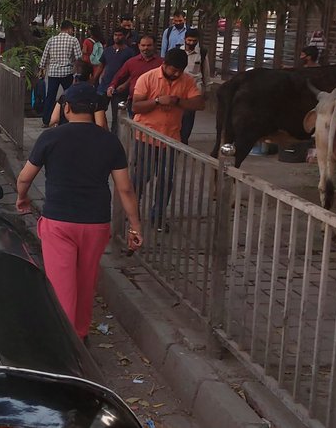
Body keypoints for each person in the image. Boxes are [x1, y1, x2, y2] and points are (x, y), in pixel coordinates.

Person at [16, 83, 144, 340]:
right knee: (86, 282)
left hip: (59, 222)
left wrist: (22, 198)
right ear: (95, 110)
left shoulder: (50, 137)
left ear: (67, 108)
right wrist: (135, 226)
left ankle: (65, 343)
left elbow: (25, 177)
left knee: (62, 284)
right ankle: (81, 333)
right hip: (95, 223)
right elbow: (125, 189)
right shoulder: (109, 141)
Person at [130, 48, 205, 231]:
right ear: (164, 65)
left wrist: (178, 101)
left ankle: (158, 216)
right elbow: (136, 106)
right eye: (173, 70)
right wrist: (157, 101)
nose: (176, 74)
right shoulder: (147, 78)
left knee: (166, 179)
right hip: (146, 137)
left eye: (179, 71)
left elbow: (199, 104)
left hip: (171, 138)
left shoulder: (187, 80)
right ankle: (132, 213)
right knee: (142, 176)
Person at [38, 20, 83, 127]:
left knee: (50, 96)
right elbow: (78, 58)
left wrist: (41, 69)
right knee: (68, 96)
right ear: (69, 29)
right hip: (67, 72)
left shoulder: (51, 40)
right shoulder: (73, 40)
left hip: (53, 72)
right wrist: (78, 73)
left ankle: (47, 120)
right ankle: (66, 120)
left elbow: (44, 57)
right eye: (72, 30)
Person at [106, 35, 163, 120]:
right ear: (139, 46)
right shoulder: (132, 62)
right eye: (143, 45)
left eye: (149, 45)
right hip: (135, 101)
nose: (146, 48)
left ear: (154, 46)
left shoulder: (162, 63)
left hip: (155, 102)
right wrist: (112, 86)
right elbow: (119, 75)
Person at [180, 29, 208, 144]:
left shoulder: (202, 53)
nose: (191, 43)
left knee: (189, 114)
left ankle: (184, 139)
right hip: (179, 86)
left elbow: (206, 71)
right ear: (185, 39)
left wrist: (207, 89)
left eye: (194, 41)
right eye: (189, 40)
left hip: (195, 87)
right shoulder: (178, 51)